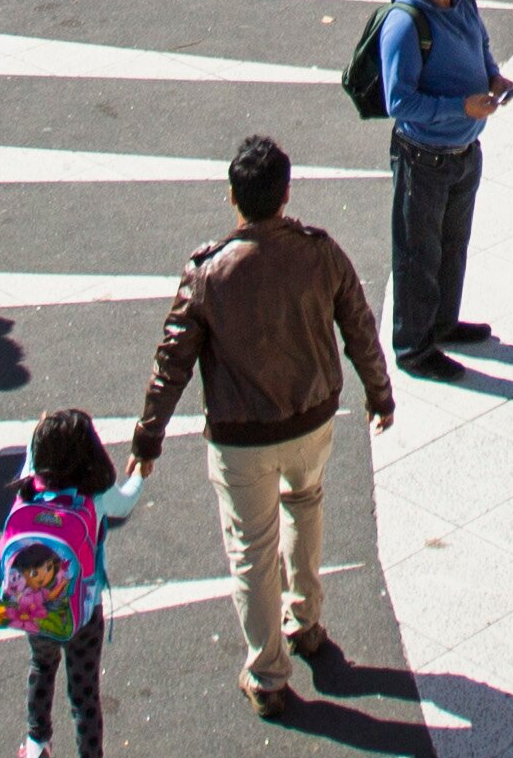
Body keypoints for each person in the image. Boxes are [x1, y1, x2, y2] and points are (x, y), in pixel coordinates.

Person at [130, 131, 396, 714]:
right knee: (306, 503)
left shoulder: (207, 273)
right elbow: (359, 326)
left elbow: (171, 362)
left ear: (233, 197)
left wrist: (148, 438)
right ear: (285, 194)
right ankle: (306, 621)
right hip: (312, 420)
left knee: (252, 548)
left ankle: (268, 673)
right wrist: (380, 396)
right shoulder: (320, 251)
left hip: (241, 436)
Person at [0, 407, 140, 758]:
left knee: (41, 667)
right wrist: (141, 469)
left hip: (37, 610)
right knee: (84, 693)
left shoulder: (29, 488)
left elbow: (32, 456)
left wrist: (39, 429)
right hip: (82, 613)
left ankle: (37, 747)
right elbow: (127, 502)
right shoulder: (94, 494)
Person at [370, 0, 500, 375]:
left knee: (452, 245)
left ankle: (443, 324)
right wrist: (460, 107)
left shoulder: (464, 1)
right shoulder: (405, 23)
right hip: (422, 156)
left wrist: (494, 77)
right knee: (417, 254)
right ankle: (413, 349)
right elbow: (399, 102)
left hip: (464, 153)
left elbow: (480, 47)